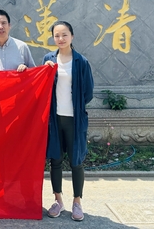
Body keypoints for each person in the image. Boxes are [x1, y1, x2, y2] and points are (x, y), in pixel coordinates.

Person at [43, 21, 94, 222]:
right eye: (57, 35)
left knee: (76, 161)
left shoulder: (81, 61)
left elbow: (88, 92)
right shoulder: (48, 59)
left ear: (72, 36)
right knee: (55, 160)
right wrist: (46, 71)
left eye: (64, 34)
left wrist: (76, 107)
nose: (61, 39)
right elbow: (42, 85)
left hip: (74, 120)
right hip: (54, 119)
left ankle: (77, 202)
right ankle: (58, 200)